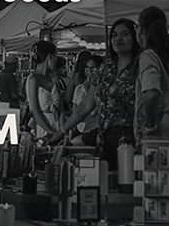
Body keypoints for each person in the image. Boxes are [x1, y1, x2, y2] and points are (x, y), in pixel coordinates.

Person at [57, 19, 139, 149]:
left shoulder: (140, 66)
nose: (119, 38)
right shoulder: (107, 67)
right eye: (114, 35)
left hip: (131, 140)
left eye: (125, 34)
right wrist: (62, 131)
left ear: (135, 37)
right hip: (104, 138)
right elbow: (84, 106)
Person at [135, 7, 169, 140]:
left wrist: (150, 125)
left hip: (160, 135)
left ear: (141, 29)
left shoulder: (148, 56)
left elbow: (151, 94)